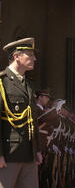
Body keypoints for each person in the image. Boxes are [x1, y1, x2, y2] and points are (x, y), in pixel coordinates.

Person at [0, 37, 42, 188]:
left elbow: (33, 120)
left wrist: (37, 150)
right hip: (9, 155)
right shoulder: (2, 82)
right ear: (17, 57)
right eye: (30, 55)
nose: (34, 58)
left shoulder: (28, 85)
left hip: (29, 154)